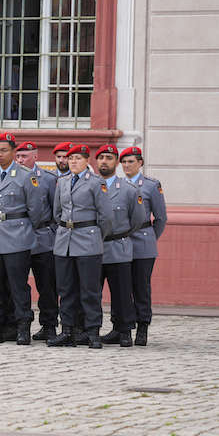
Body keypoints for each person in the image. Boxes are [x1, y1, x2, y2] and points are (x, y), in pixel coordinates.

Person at [0, 132, 47, 346]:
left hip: (18, 234)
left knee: (18, 285)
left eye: (3, 150)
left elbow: (36, 210)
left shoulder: (26, 176)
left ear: (14, 152)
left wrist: (21, 225)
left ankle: (22, 326)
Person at [48, 144, 112, 349]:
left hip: (87, 239)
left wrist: (95, 236)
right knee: (66, 289)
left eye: (78, 158)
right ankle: (67, 330)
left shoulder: (95, 183)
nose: (73, 161)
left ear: (87, 161)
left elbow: (106, 217)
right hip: (64, 240)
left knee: (89, 289)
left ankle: (92, 331)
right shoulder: (62, 181)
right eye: (70, 158)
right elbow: (57, 213)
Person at [94, 144, 147, 347]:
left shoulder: (129, 190)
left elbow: (138, 220)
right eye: (100, 158)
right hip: (93, 247)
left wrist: (120, 235)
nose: (104, 161)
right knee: (91, 292)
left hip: (118, 246)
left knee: (122, 292)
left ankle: (123, 331)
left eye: (109, 158)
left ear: (116, 162)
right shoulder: (89, 185)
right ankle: (90, 328)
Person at [120, 146, 167, 346]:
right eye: (124, 162)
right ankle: (122, 327)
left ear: (140, 163)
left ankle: (142, 326)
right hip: (121, 243)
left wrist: (150, 238)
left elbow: (161, 218)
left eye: (131, 161)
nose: (127, 165)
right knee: (122, 287)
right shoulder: (117, 184)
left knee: (141, 287)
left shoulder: (150, 185)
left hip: (143, 243)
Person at [14, 141, 60, 343]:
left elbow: (56, 209)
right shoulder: (13, 176)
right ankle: (19, 325)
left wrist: (52, 231)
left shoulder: (48, 179)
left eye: (25, 156)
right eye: (18, 156)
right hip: (16, 238)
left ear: (35, 156)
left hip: (42, 238)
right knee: (17, 285)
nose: (20, 160)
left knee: (47, 285)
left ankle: (49, 325)